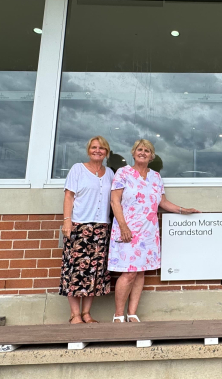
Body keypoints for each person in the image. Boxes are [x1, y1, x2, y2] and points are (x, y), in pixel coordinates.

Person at [109, 139, 200, 323]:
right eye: (140, 149)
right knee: (128, 273)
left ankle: (132, 313)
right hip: (127, 231)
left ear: (152, 156)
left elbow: (162, 202)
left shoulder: (156, 177)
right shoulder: (123, 173)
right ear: (133, 153)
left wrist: (183, 210)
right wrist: (123, 226)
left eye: (147, 151)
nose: (143, 152)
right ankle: (118, 315)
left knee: (141, 272)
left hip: (148, 233)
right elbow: (114, 201)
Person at [60, 136, 115, 324]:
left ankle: (86, 313)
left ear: (106, 152)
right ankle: (75, 314)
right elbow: (69, 196)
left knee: (94, 272)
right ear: (88, 150)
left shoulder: (109, 174)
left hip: (101, 227)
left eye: (101, 148)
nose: (97, 150)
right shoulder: (78, 169)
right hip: (79, 226)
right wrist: (67, 222)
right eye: (94, 147)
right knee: (75, 270)